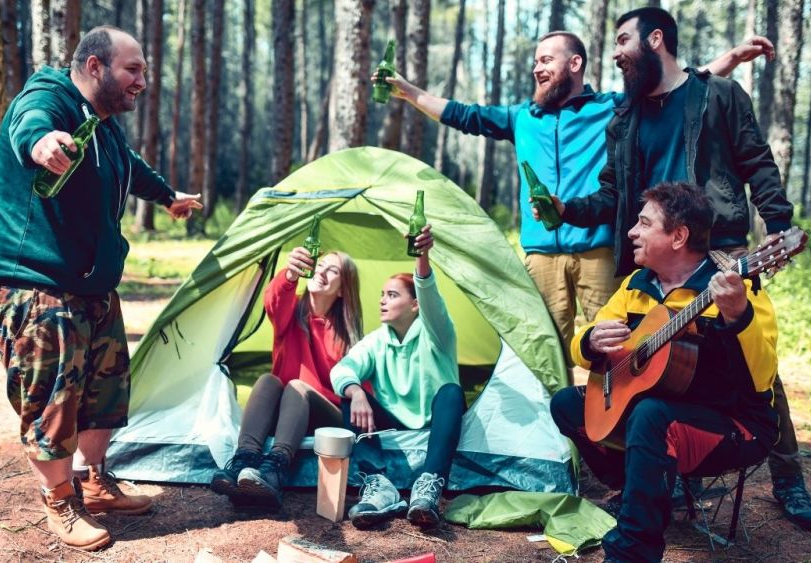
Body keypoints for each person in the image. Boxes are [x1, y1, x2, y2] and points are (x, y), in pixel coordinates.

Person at [555, 7, 811, 530]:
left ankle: (788, 476)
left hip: (716, 246)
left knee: (744, 363)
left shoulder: (717, 95)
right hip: (650, 255)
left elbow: (756, 160)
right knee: (644, 359)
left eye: (623, 39)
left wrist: (776, 222)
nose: (614, 53)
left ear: (656, 39)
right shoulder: (626, 118)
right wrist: (570, 210)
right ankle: (661, 480)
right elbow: (614, 194)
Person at [381, 31, 772, 387]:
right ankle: (556, 441)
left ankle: (616, 428)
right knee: (541, 353)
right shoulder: (522, 117)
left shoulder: (611, 109)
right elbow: (462, 114)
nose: (537, 68)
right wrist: (407, 91)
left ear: (575, 64)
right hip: (540, 258)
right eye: (536, 61)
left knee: (622, 343)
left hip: (596, 251)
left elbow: (681, 86)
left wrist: (731, 58)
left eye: (546, 60)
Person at [0, 26, 203, 551]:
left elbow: (128, 168)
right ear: (94, 67)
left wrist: (166, 196)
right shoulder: (49, 97)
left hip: (88, 284)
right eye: (133, 69)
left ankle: (94, 479)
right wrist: (43, 143)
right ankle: (59, 498)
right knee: (53, 398)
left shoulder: (104, 126)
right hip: (30, 285)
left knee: (106, 389)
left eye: (143, 69)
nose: (143, 79)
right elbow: (30, 126)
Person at [551, 182, 778, 561]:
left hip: (736, 423)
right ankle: (637, 490)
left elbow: (762, 377)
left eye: (643, 223)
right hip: (658, 414)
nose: (631, 232)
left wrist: (738, 316)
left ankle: (632, 551)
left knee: (650, 414)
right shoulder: (635, 286)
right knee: (567, 404)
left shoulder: (737, 288)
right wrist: (590, 342)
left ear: (678, 236)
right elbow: (582, 350)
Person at [330, 224, 464, 530]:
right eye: (382, 295)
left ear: (415, 305)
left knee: (451, 392)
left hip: (436, 419)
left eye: (392, 295)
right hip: (393, 421)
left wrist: (422, 257)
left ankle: (428, 486)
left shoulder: (437, 333)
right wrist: (357, 391)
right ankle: (379, 484)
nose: (382, 301)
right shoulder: (378, 340)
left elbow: (430, 296)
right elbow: (343, 368)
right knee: (348, 393)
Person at [209, 247, 363, 510]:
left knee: (296, 386)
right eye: (321, 264)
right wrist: (290, 275)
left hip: (327, 416)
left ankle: (276, 469)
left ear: (342, 289)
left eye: (333, 270)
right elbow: (274, 301)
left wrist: (359, 394)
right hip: (287, 413)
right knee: (269, 380)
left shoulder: (346, 333)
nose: (322, 271)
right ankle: (244, 463)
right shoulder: (292, 312)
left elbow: (359, 381)